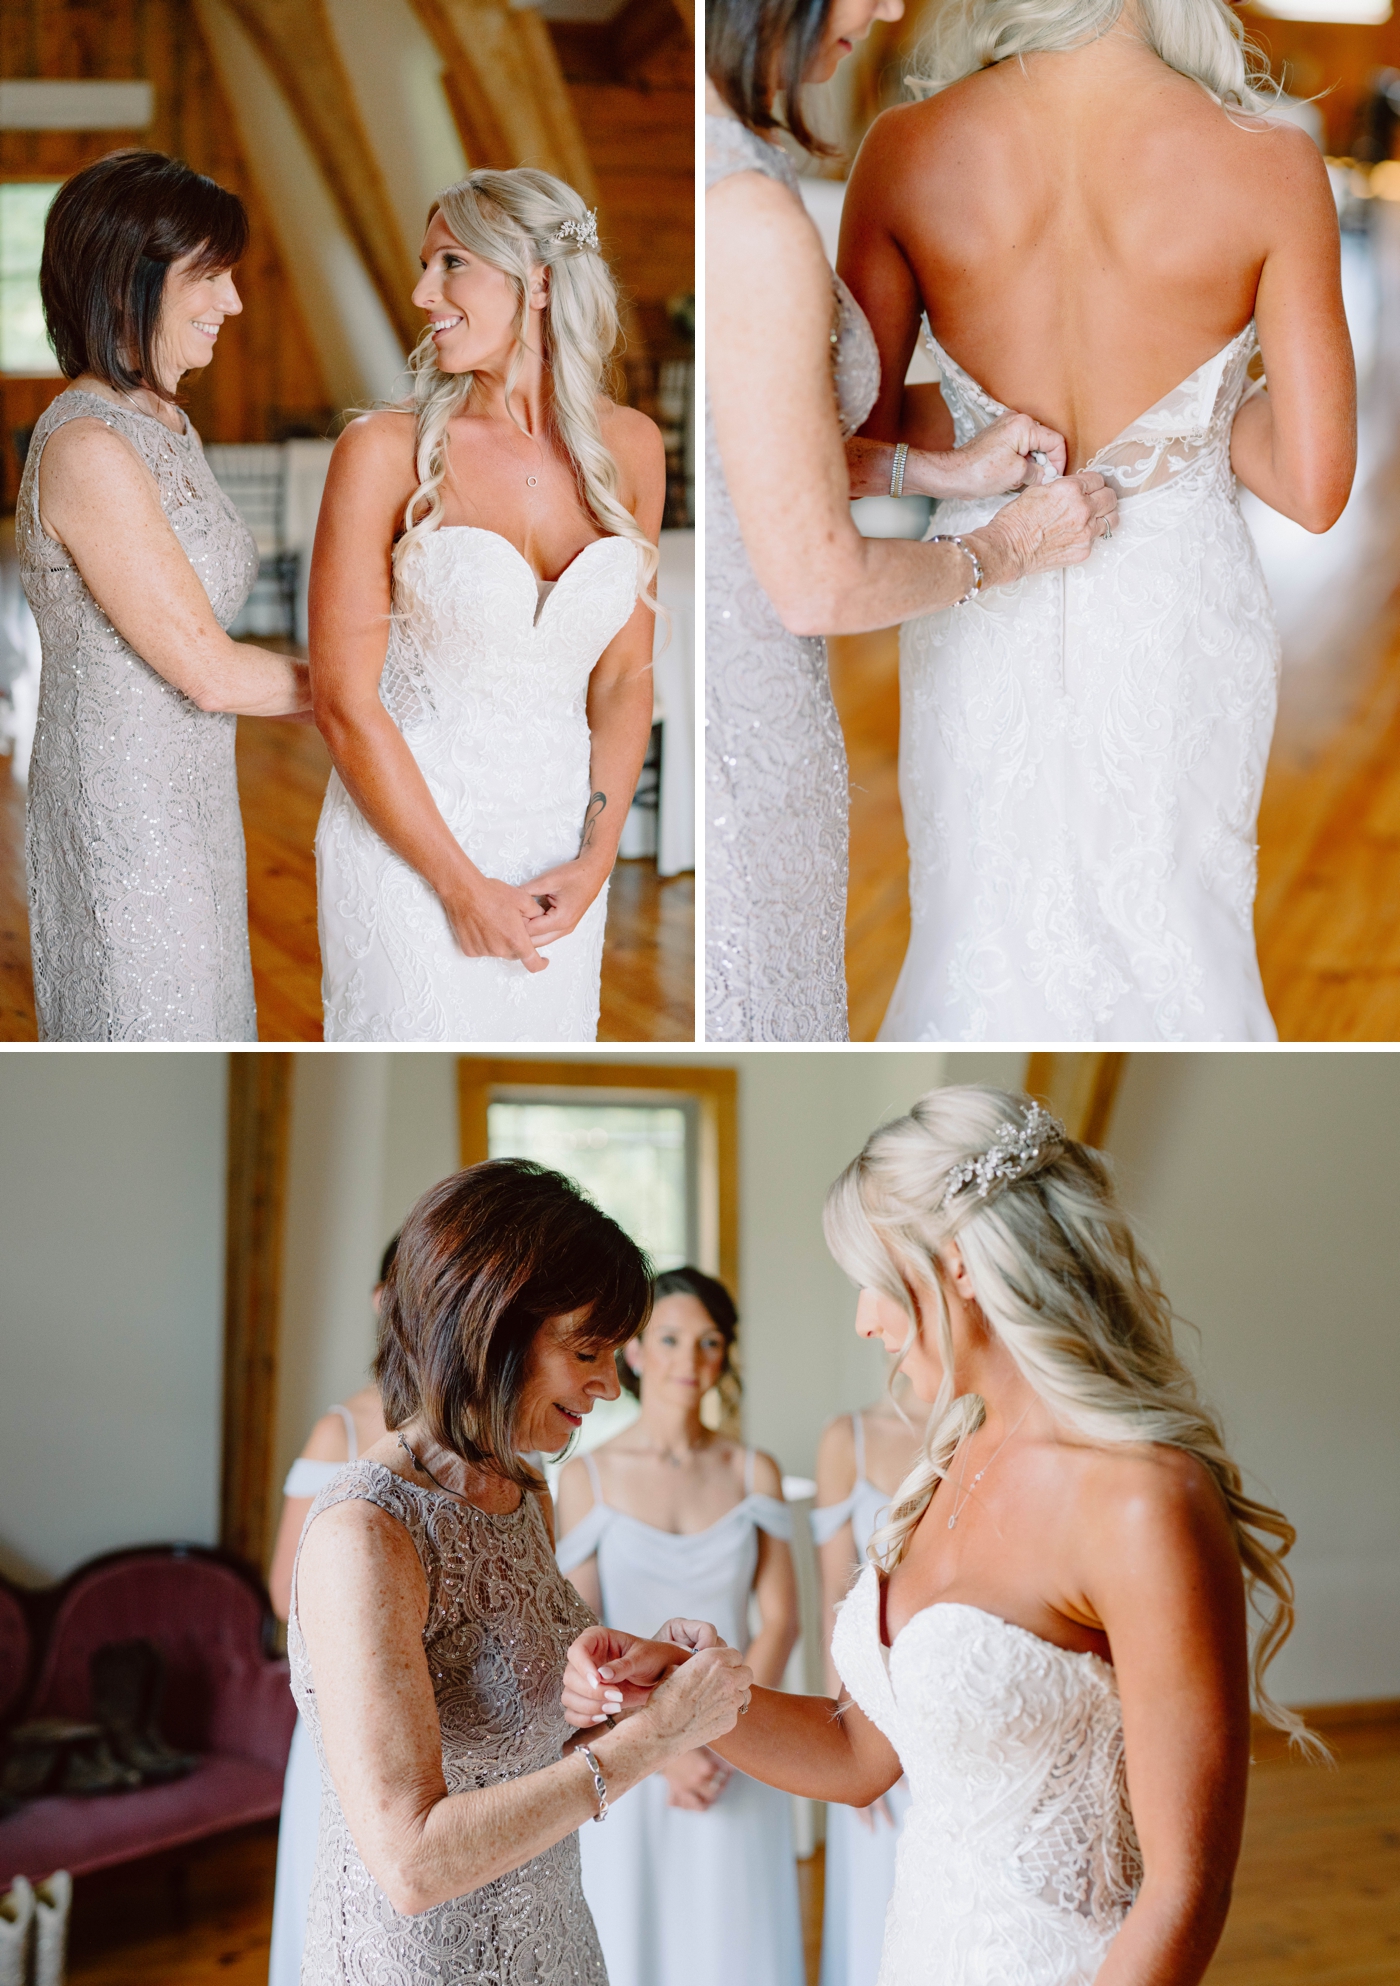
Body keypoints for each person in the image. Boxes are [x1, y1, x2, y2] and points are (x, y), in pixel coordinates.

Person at [563, 1087, 1321, 1986]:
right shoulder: (946, 1463)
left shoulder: (1141, 1500)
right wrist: (679, 1692)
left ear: (957, 1263)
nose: (864, 1319)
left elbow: (1185, 1892)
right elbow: (858, 1756)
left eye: (874, 1280)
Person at [838, 0, 1356, 1041]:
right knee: (1180, 920)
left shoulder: (904, 148)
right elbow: (1311, 482)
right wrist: (1189, 409)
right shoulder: (1266, 164)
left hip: (985, 590)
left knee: (978, 914)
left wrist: (997, 419)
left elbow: (860, 438)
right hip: (1175, 612)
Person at [705, 0, 1118, 1041]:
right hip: (743, 718)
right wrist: (1006, 545)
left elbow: (748, 455)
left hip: (754, 699)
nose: (890, 7)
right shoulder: (744, 209)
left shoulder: (732, 153)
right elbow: (820, 584)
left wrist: (930, 461)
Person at [289, 1160, 753, 1986]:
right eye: (588, 1351)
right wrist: (659, 1740)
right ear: (494, 1326)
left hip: (554, 1938)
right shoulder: (366, 1535)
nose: (611, 1385)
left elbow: (535, 1732)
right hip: (425, 1964)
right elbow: (413, 1862)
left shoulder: (520, 1485)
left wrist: (639, 1677)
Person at [311, 170, 662, 1042]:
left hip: (557, 855)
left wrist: (594, 859)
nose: (423, 292)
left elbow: (623, 679)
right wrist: (460, 889)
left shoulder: (632, 449)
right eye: (426, 265)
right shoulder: (383, 451)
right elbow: (344, 702)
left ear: (539, 280)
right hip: (409, 848)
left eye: (451, 263)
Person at [16, 150, 311, 1043]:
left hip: (192, 791)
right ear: (125, 282)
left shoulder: (165, 422)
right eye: (211, 277)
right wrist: (374, 687)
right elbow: (210, 672)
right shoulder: (88, 450)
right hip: (124, 811)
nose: (234, 303)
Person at [555, 1268, 803, 1986]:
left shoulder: (755, 1469)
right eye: (670, 1339)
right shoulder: (587, 1478)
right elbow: (580, 1636)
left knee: (737, 1944)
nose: (690, 1361)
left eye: (709, 1342)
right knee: (638, 1943)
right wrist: (665, 1748)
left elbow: (781, 1619)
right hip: (634, 1756)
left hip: (742, 1747)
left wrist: (725, 1732)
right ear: (633, 1352)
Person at [265, 1235, 397, 1986]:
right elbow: (285, 1581)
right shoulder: (339, 1432)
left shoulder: (498, 1436)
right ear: (384, 1303)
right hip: (349, 1707)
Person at [811, 1393, 925, 1986]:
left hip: (958, 1709)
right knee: (876, 1912)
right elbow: (837, 1593)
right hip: (872, 1708)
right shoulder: (846, 1439)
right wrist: (852, 1723)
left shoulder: (993, 1426)